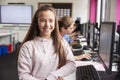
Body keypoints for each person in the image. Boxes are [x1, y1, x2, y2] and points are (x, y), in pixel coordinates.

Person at [17, 5, 76, 80]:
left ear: (55, 23)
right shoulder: (27, 46)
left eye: (51, 21)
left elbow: (71, 64)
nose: (47, 25)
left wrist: (54, 75)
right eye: (42, 20)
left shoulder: (62, 42)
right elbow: (23, 76)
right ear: (37, 22)